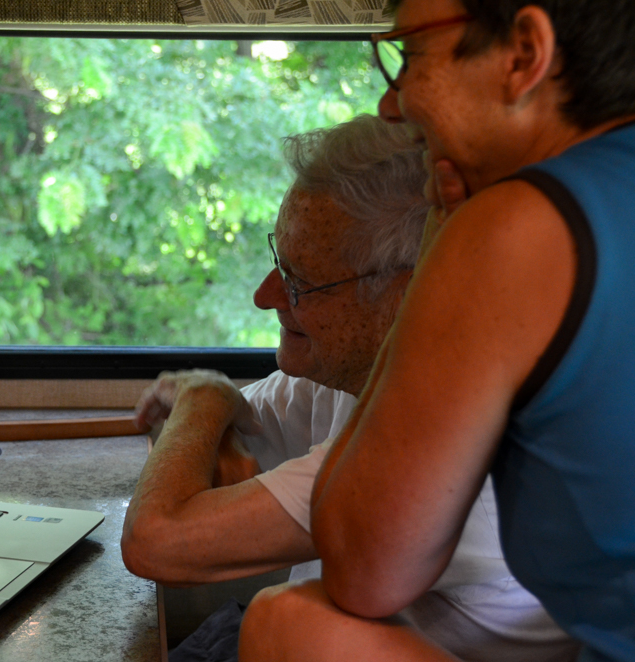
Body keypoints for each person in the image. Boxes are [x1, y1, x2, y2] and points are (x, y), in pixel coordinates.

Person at [238, 2, 635, 661]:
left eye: (411, 55)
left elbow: (365, 567)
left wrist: (439, 243)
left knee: (288, 624)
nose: (392, 103)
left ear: (523, 55)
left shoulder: (517, 225)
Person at [122, 115, 577, 661]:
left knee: (276, 616)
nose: (265, 297)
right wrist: (209, 413)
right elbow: (231, 435)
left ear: (405, 295)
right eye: (278, 262)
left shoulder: (441, 445)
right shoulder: (357, 368)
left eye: (299, 282)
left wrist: (203, 393)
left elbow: (157, 541)